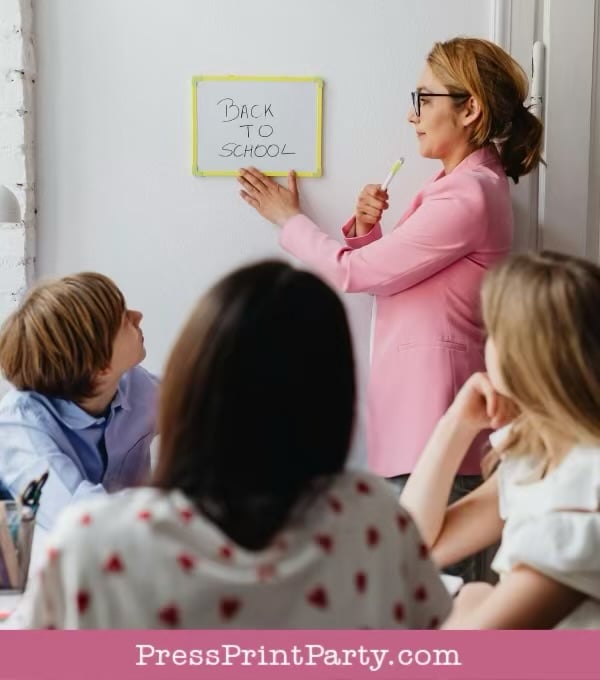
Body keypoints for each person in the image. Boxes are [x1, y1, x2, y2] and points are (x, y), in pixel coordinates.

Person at [237, 37, 543, 579]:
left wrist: (288, 220)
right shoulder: (458, 186)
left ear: (469, 108)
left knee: (436, 601)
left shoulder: (468, 195)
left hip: (437, 430)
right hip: (418, 430)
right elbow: (390, 281)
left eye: (423, 99)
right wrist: (367, 228)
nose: (412, 114)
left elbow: (356, 275)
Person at [17, 262, 451, 629]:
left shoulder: (93, 542)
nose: (139, 316)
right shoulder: (374, 518)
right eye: (122, 319)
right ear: (338, 395)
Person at [401, 251, 600, 629]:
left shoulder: (587, 487)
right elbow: (411, 546)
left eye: (492, 333)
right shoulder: (535, 453)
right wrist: (455, 425)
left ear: (524, 358)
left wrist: (476, 601)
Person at [0, 273, 157, 531]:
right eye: (124, 319)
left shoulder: (133, 384)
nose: (138, 315)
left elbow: (204, 404)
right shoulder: (20, 425)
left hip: (132, 556)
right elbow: (83, 519)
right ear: (100, 366)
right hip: (59, 565)